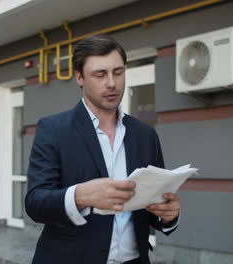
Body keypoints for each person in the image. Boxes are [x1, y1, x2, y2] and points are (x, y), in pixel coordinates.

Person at [25, 35, 180, 264]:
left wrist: (168, 215)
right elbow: (35, 203)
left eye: (118, 72)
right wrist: (81, 195)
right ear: (79, 77)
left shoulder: (145, 135)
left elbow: (153, 205)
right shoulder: (53, 129)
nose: (111, 83)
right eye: (100, 74)